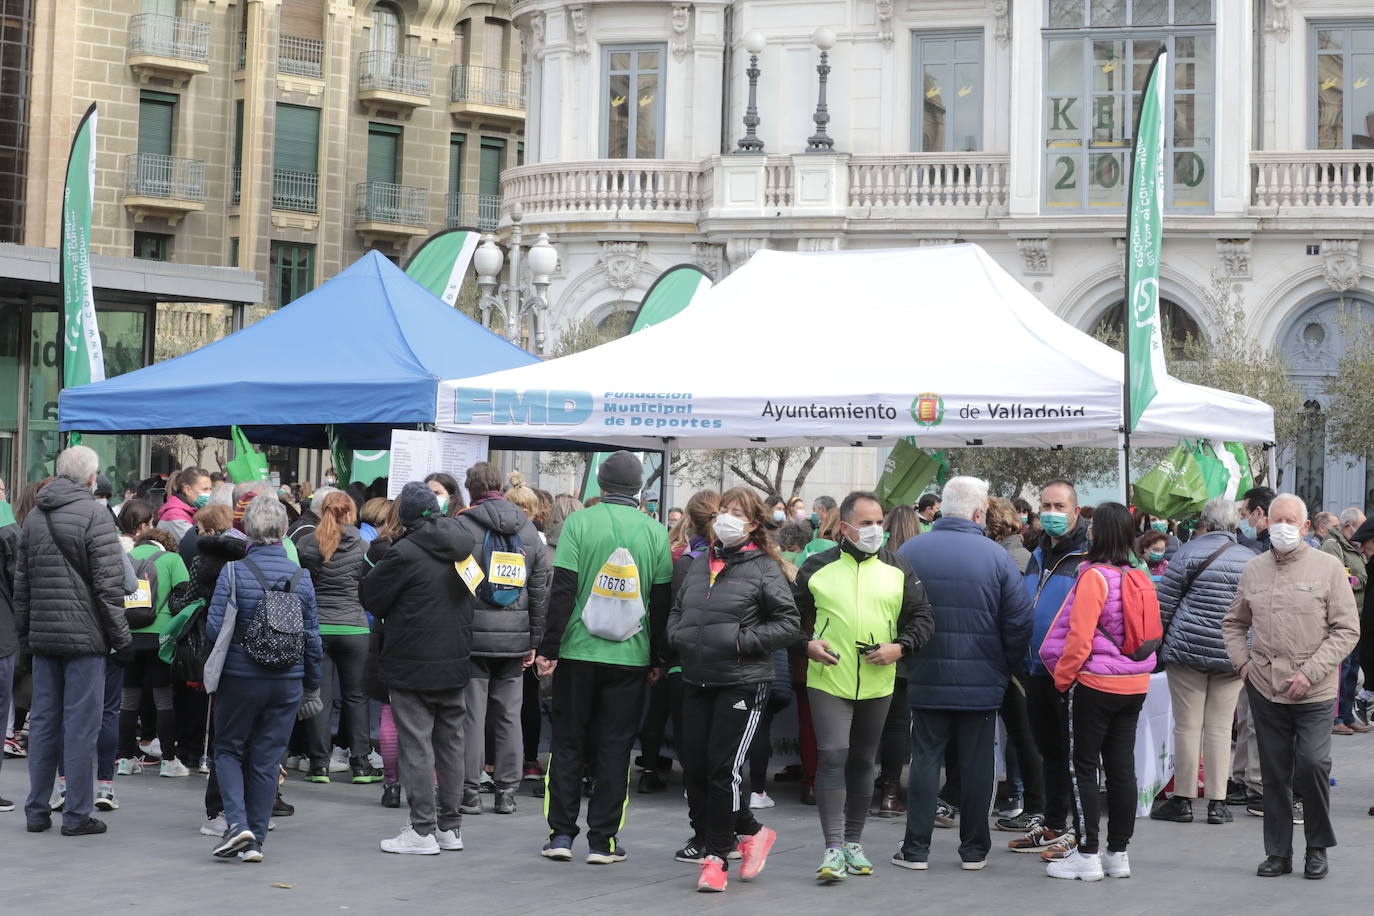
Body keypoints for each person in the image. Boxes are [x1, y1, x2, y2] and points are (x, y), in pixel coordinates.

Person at [534, 450, 673, 864]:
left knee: (568, 743)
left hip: (577, 653)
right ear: (638, 489)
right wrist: (656, 659)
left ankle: (560, 835)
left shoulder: (578, 522)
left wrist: (549, 649)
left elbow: (562, 590)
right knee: (615, 749)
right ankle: (603, 842)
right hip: (630, 658)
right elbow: (661, 600)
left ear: (602, 484)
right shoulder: (655, 532)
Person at [794, 490, 934, 883]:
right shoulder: (817, 568)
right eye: (867, 523)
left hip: (878, 681)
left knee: (862, 761)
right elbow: (788, 616)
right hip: (827, 679)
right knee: (833, 756)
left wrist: (899, 647)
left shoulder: (899, 567)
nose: (876, 530)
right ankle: (833, 847)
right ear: (845, 527)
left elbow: (923, 617)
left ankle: (853, 843)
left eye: (880, 522)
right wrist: (806, 644)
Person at [894, 477, 1032, 872]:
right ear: (978, 513)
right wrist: (1004, 664)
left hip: (924, 673)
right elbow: (1020, 620)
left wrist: (908, 654)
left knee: (924, 760)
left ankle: (915, 849)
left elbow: (894, 609)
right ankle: (974, 850)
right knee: (977, 765)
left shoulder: (909, 550)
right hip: (984, 679)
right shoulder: (997, 556)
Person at [669, 487, 800, 892]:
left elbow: (788, 623)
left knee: (724, 768)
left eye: (737, 512)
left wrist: (741, 641)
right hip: (696, 677)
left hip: (743, 681)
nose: (726, 517)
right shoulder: (698, 563)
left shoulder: (763, 567)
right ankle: (752, 832)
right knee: (695, 767)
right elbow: (678, 610)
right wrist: (679, 635)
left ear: (754, 524)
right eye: (723, 510)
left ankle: (715, 856)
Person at [1224, 493, 1359, 880]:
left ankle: (1317, 847)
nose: (1282, 527)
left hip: (1313, 691)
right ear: (1267, 523)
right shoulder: (1254, 569)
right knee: (1274, 772)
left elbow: (1346, 629)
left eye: (1291, 521)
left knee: (1314, 765)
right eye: (1275, 519)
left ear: (1304, 527)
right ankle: (1278, 852)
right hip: (1266, 688)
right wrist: (1244, 665)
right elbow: (1234, 623)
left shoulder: (1328, 568)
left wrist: (1311, 672)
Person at [15, 446, 132, 836]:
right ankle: (77, 814)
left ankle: (36, 810)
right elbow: (108, 586)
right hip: (86, 639)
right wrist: (122, 637)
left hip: (45, 637)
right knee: (81, 725)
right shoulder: (96, 516)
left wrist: (25, 637)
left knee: (45, 722)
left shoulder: (33, 516)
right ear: (90, 478)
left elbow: (23, 584)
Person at [1038, 501, 1156, 881]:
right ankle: (1117, 853)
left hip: (1095, 684)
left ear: (1099, 532)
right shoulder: (1139, 576)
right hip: (1134, 683)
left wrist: (1062, 680)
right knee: (1122, 767)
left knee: (1083, 767)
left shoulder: (1094, 576)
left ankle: (1087, 853)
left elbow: (1079, 638)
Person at [205, 494, 322, 862]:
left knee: (227, 749)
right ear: (285, 530)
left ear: (247, 530)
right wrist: (311, 685)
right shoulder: (301, 577)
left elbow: (213, 628)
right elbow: (313, 639)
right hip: (287, 680)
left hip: (240, 678)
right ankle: (255, 843)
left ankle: (236, 823)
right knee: (266, 760)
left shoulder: (233, 572)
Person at [362, 482, 477, 855]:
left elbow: (372, 596)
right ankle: (450, 827)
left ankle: (422, 829)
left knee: (416, 746)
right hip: (455, 658)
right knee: (450, 744)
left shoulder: (404, 553)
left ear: (405, 515)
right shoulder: (463, 546)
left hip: (412, 661)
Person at [452, 461, 550, 816]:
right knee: (510, 714)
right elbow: (539, 592)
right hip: (514, 639)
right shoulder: (529, 531)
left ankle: (470, 790)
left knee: (471, 715)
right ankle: (507, 791)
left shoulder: (461, 526)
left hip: (472, 636)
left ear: (471, 490)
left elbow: (456, 586)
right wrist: (534, 640)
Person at [1152, 497, 1255, 827]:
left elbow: (1165, 606)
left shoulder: (1185, 554)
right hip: (1231, 653)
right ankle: (1217, 803)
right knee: (1222, 728)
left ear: (1205, 523)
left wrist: (1157, 648)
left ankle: (1182, 800)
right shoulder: (1250, 560)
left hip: (1187, 651)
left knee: (1187, 725)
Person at [1008, 479, 1089, 860]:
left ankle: (1077, 830)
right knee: (1049, 751)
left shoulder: (1088, 556)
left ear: (1075, 512)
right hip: (1034, 667)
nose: (1051, 513)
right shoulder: (1037, 551)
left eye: (1059, 506)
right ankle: (1054, 823)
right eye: (1046, 506)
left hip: (1070, 670)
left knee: (1073, 755)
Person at [295, 491, 380, 784]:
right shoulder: (364, 545)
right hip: (354, 628)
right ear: (351, 514)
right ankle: (360, 764)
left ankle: (319, 765)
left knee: (320, 697)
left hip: (318, 627)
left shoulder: (306, 544)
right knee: (356, 697)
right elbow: (369, 586)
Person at [116, 500, 191, 779]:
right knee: (163, 699)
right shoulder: (172, 560)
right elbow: (184, 596)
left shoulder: (128, 558)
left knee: (128, 699)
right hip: (160, 638)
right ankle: (169, 760)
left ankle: (125, 758)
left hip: (128, 636)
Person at [1321, 507, 1367, 735]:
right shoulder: (1333, 545)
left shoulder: (1353, 547)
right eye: (1360, 527)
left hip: (1356, 619)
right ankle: (1335, 717)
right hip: (1341, 620)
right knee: (1342, 669)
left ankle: (1348, 715)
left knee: (1351, 670)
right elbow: (1336, 579)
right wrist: (1360, 581)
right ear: (1349, 526)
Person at [156, 467, 212, 542]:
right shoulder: (174, 515)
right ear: (187, 490)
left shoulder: (195, 510)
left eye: (210, 489)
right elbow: (194, 545)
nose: (209, 493)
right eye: (205, 489)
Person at [1238, 486, 1276, 553]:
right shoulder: (1276, 543)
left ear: (1258, 513)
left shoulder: (1263, 550)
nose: (1240, 520)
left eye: (1243, 515)